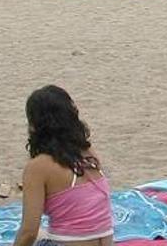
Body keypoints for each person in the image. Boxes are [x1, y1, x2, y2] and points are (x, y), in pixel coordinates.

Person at [13, 85, 113, 246]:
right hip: (106, 241)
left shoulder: (38, 167)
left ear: (34, 124)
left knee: (33, 235)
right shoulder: (88, 153)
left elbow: (28, 232)